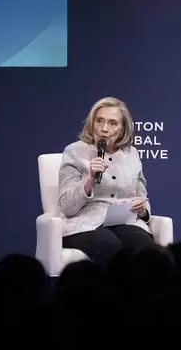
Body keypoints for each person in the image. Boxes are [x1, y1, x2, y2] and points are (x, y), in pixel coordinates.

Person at [58, 97, 155, 267]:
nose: (104, 129)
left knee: (145, 250)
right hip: (84, 225)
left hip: (121, 222)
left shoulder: (132, 154)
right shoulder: (74, 152)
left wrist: (141, 209)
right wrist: (89, 179)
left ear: (122, 128)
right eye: (99, 121)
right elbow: (66, 206)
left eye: (112, 123)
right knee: (110, 247)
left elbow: (142, 197)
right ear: (92, 123)